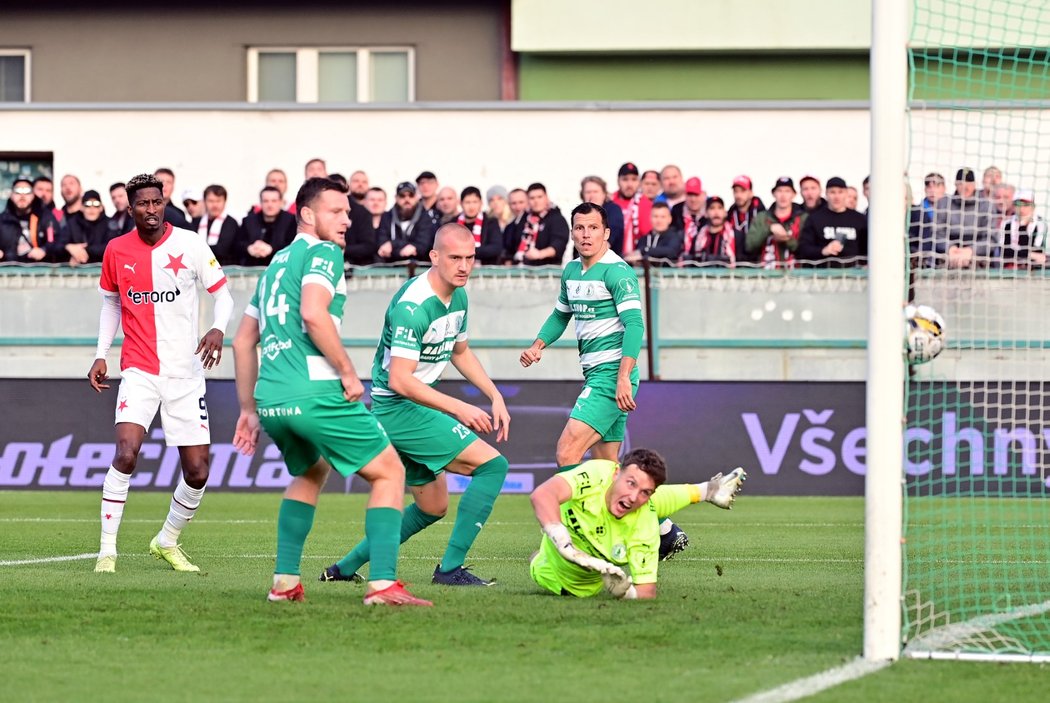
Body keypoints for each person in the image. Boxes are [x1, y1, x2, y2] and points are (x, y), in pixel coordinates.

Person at [230, 177, 430, 606]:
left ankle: (284, 582)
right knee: (389, 472)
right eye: (335, 211)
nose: (346, 218)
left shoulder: (277, 264)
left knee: (311, 471)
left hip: (271, 397)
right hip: (315, 391)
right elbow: (313, 313)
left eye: (348, 211)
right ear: (306, 214)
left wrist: (247, 409)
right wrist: (347, 372)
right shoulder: (324, 253)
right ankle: (382, 583)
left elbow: (243, 341)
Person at [321, 223, 511, 587]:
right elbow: (400, 379)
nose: (464, 266)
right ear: (434, 257)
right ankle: (450, 570)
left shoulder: (458, 296)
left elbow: (460, 351)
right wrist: (459, 408)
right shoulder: (414, 306)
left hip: (411, 408)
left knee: (432, 506)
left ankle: (342, 570)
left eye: (470, 258)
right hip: (398, 408)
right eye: (455, 258)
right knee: (494, 467)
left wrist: (494, 394)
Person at [519, 201, 690, 560]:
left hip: (612, 377)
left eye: (592, 228)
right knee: (610, 471)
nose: (585, 235)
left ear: (606, 232)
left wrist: (624, 377)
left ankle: (578, 534)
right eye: (579, 228)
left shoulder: (617, 272)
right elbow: (560, 315)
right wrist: (538, 345)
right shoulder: (571, 272)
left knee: (567, 451)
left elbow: (635, 326)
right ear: (572, 232)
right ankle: (663, 532)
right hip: (599, 375)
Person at [88, 173, 234, 575]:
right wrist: (101, 354)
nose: (150, 210)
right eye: (142, 204)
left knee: (198, 471)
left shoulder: (189, 244)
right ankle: (107, 553)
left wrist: (218, 328)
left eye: (156, 202)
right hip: (138, 369)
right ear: (130, 207)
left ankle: (166, 540)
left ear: (163, 202)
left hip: (186, 373)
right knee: (126, 453)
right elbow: (111, 305)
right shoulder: (116, 250)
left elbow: (223, 294)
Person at [530, 448, 746, 598]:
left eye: (644, 492)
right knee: (652, 499)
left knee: (648, 504)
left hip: (577, 588)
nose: (633, 496)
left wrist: (625, 592)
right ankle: (708, 490)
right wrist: (563, 542)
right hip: (549, 566)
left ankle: (707, 491)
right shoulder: (596, 474)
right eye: (630, 482)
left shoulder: (644, 528)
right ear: (616, 472)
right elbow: (542, 495)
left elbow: (646, 592)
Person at [798, 176, 868, 266]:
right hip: (823, 274)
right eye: (832, 192)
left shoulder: (859, 219)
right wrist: (823, 250)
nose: (836, 197)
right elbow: (804, 249)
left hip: (854, 274)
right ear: (826, 194)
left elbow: (868, 248)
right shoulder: (815, 218)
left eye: (840, 192)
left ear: (846, 194)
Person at [746, 177, 807, 269]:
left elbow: (806, 250)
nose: (783, 196)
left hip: (795, 277)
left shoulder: (803, 218)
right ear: (773, 193)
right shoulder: (761, 218)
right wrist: (768, 230)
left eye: (787, 191)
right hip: (765, 275)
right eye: (779, 191)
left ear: (794, 194)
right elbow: (749, 246)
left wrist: (787, 239)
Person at [0, 177, 62, 263]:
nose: (22, 196)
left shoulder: (45, 217)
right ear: (11, 195)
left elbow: (57, 239)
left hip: (39, 271)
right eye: (18, 191)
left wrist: (44, 250)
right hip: (8, 271)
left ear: (33, 195)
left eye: (27, 192)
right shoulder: (2, 220)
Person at [506, 182, 569, 266]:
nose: (536, 201)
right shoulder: (523, 220)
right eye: (532, 198)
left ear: (546, 197)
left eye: (539, 197)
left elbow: (559, 244)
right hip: (521, 269)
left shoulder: (556, 218)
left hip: (546, 271)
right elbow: (510, 245)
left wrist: (540, 254)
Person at [377, 181, 434, 265]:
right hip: (391, 267)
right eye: (402, 196)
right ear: (396, 198)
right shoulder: (386, 217)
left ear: (416, 197)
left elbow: (423, 246)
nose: (407, 199)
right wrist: (402, 252)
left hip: (419, 268)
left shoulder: (425, 217)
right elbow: (382, 246)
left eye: (411, 195)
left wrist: (392, 245)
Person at [240, 186, 297, 266]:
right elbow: (237, 244)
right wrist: (249, 248)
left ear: (281, 202)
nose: (270, 205)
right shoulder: (248, 221)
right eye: (266, 201)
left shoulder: (291, 220)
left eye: (274, 201)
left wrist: (271, 249)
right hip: (252, 267)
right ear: (261, 203)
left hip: (281, 267)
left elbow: (293, 245)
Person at [610, 162, 652, 256]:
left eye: (634, 179)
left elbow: (648, 234)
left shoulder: (646, 203)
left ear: (639, 182)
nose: (629, 184)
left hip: (637, 259)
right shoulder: (610, 202)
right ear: (618, 181)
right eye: (625, 179)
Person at [998, 189, 1047, 268]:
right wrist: (1030, 255)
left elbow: (1037, 250)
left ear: (1033, 206)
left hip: (1032, 267)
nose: (1021, 209)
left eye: (1026, 204)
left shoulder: (1040, 224)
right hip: (1010, 266)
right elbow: (1004, 251)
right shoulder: (1007, 223)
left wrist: (1023, 226)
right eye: (1018, 204)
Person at [625, 201, 682, 266]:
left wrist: (645, 250)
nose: (659, 221)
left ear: (670, 219)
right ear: (650, 218)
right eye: (655, 216)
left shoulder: (675, 237)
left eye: (663, 217)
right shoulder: (643, 239)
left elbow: (671, 252)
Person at [195, 184, 240, 266]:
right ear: (204, 201)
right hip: (199, 267)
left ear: (224, 202)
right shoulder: (196, 222)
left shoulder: (231, 223)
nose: (215, 205)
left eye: (218, 201)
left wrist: (197, 249)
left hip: (223, 269)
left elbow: (222, 250)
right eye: (211, 201)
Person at [684, 195, 736, 267]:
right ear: (706, 213)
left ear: (725, 213)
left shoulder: (736, 236)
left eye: (720, 208)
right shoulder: (697, 238)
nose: (716, 212)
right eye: (712, 208)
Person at [65, 189, 113, 265]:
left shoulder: (110, 223)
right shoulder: (72, 223)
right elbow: (57, 245)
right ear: (81, 207)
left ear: (101, 208)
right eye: (87, 205)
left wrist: (83, 251)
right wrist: (68, 247)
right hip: (77, 273)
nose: (92, 209)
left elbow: (111, 247)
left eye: (96, 205)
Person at [457, 186, 503, 265]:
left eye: (475, 202)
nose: (471, 207)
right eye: (467, 202)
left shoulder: (490, 222)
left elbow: (496, 248)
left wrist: (466, 252)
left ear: (481, 203)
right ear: (461, 203)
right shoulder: (453, 223)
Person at [580, 175, 624, 255]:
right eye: (588, 192)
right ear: (583, 195)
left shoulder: (614, 210)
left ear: (604, 194)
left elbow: (611, 237)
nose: (592, 195)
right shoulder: (580, 213)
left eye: (595, 192)